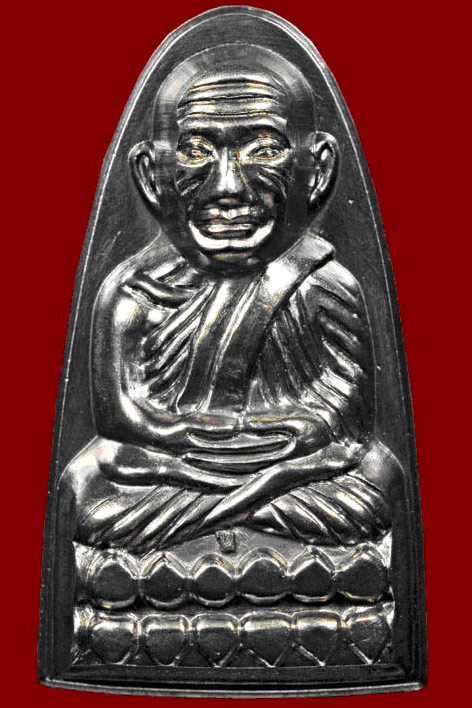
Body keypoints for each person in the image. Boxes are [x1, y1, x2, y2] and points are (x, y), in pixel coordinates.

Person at [60, 65, 399, 554]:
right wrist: (179, 434)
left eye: (263, 150)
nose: (228, 187)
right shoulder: (134, 291)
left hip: (287, 469)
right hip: (174, 468)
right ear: (151, 175)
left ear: (318, 171)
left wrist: (281, 437)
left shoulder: (321, 286)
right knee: (87, 487)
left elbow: (351, 426)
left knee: (377, 482)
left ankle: (224, 515)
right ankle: (240, 513)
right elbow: (118, 419)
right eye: (196, 152)